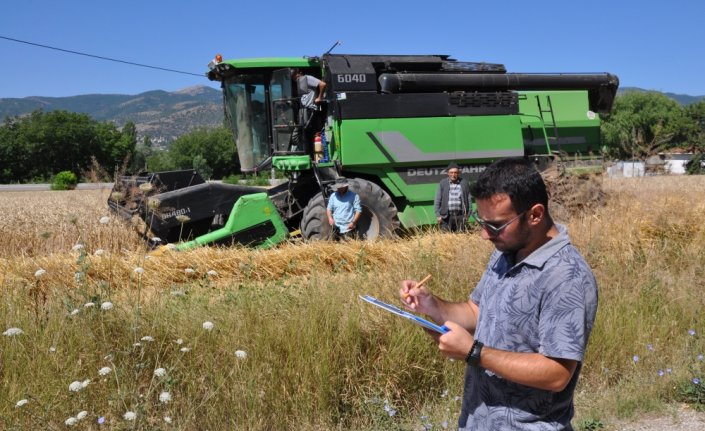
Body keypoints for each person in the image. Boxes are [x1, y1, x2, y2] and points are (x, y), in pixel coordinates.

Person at [400, 157, 598, 430]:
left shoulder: (566, 275)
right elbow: (475, 312)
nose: (484, 235)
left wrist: (473, 352)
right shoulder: (506, 251)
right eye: (481, 222)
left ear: (535, 214)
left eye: (495, 225)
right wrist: (431, 306)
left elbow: (557, 374)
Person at [291, 68, 327, 153]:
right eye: (293, 78)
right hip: (303, 110)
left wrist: (319, 97)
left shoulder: (307, 78)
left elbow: (322, 84)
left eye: (295, 76)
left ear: (299, 73)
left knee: (307, 134)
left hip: (310, 110)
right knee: (302, 134)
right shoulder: (300, 83)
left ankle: (310, 156)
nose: (294, 79)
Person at [434, 162, 471, 232]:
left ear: (458, 173)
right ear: (448, 173)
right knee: (446, 239)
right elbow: (437, 200)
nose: (453, 175)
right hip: (446, 217)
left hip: (460, 216)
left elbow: (469, 199)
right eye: (451, 172)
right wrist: (438, 215)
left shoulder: (464, 183)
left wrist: (467, 215)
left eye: (455, 172)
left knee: (460, 238)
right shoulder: (443, 183)